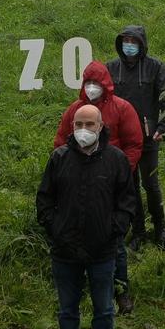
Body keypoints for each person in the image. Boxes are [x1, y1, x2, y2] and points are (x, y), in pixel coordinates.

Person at [35, 102, 136, 329]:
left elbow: (127, 202)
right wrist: (56, 229)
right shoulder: (59, 158)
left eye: (89, 124)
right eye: (78, 125)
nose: (83, 130)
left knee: (104, 308)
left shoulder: (115, 160)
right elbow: (44, 200)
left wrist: (113, 231)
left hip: (102, 250)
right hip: (65, 251)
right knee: (67, 308)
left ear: (101, 127)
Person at [54, 61, 144, 312]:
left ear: (106, 84)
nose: (92, 89)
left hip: (112, 181)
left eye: (97, 84)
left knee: (114, 239)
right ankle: (79, 286)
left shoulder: (122, 109)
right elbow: (61, 141)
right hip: (80, 180)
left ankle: (120, 289)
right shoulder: (76, 110)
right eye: (88, 83)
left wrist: (121, 173)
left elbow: (134, 143)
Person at [106, 24, 165, 248]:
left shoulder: (156, 68)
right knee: (130, 185)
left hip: (147, 137)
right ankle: (138, 232)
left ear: (142, 44)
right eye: (126, 41)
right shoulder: (112, 68)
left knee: (150, 184)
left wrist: (163, 127)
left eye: (134, 41)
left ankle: (160, 227)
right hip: (122, 139)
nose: (129, 45)